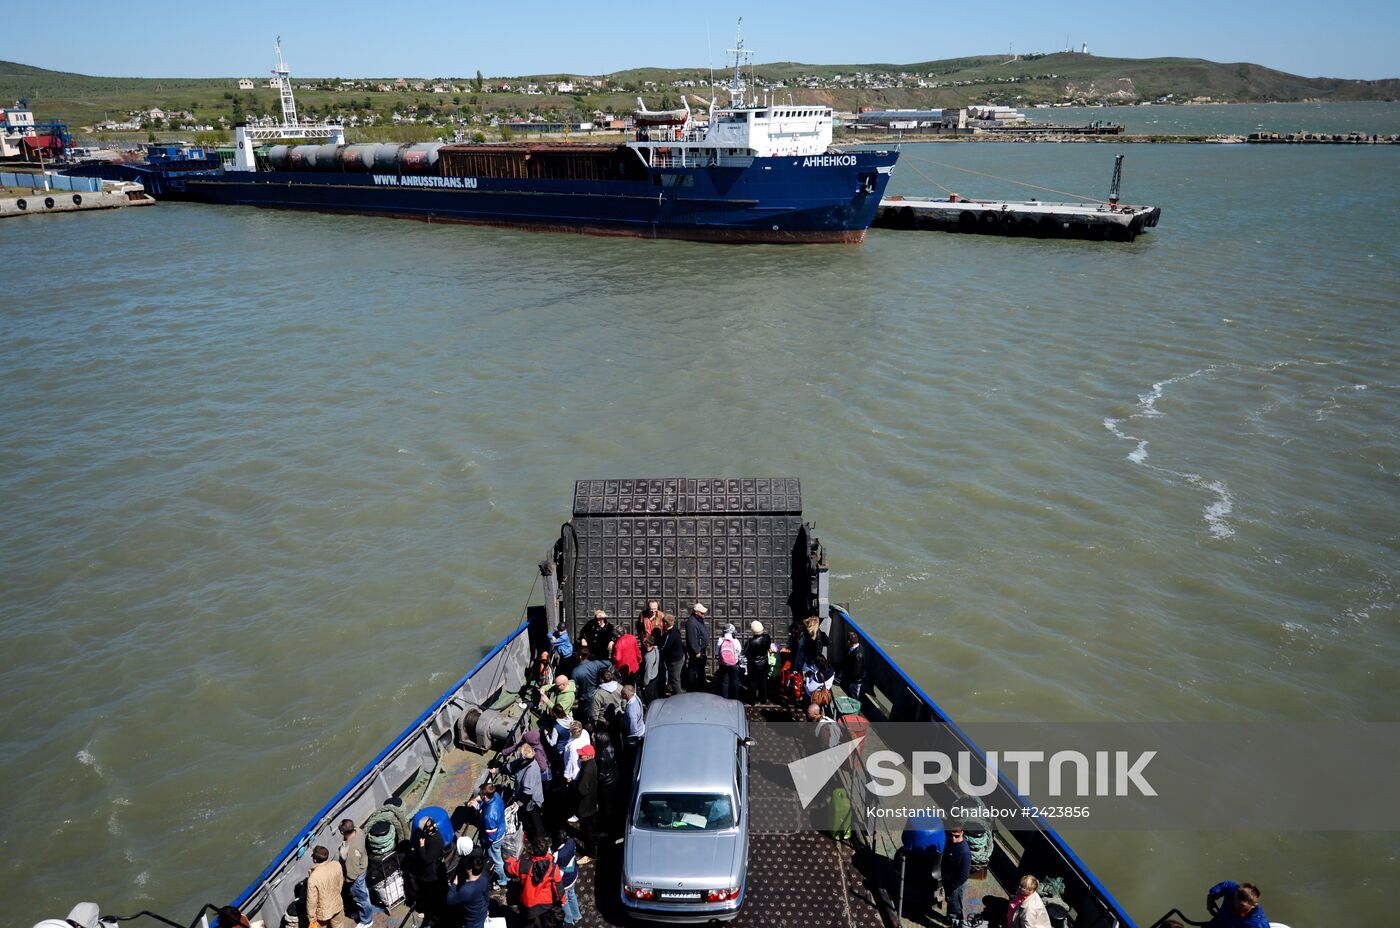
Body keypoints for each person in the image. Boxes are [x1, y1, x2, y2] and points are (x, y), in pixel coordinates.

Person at [506, 838, 563, 928]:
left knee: (528, 924)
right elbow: (559, 887)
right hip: (546, 901)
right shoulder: (553, 867)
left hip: (529, 903)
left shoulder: (523, 865)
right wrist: (561, 901)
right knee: (546, 922)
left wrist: (509, 859)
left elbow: (509, 868)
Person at [501, 743, 547, 844]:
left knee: (536, 821)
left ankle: (540, 841)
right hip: (524, 797)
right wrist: (498, 770)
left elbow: (527, 794)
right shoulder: (524, 762)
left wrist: (518, 803)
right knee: (529, 817)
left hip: (532, 801)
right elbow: (511, 767)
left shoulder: (531, 771)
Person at [467, 782, 509, 893]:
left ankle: (502, 881)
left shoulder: (489, 815)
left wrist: (484, 842)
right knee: (500, 858)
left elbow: (491, 836)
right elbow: (486, 804)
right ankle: (504, 876)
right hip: (501, 830)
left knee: (497, 861)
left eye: (481, 795)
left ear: (485, 796)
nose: (480, 796)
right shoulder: (496, 796)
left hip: (494, 840)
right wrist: (478, 805)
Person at [338, 819, 376, 928]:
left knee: (361, 899)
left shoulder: (350, 852)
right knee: (363, 895)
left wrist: (348, 880)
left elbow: (352, 872)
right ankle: (363, 913)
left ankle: (367, 920)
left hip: (356, 876)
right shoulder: (359, 832)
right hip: (363, 866)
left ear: (342, 832)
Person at [408, 815, 447, 922]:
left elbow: (426, 860)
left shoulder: (434, 841)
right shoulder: (436, 834)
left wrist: (421, 846)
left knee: (431, 896)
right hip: (437, 870)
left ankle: (432, 915)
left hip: (432, 874)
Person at [444, 854, 491, 928]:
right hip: (482, 912)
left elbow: (449, 901)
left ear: (470, 870)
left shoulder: (466, 890)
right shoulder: (485, 877)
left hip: (472, 920)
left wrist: (454, 885)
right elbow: (486, 896)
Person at [306, 845, 345, 928]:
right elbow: (340, 883)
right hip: (337, 904)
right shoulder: (336, 864)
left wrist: (311, 918)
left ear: (314, 859)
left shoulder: (313, 878)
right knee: (339, 925)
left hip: (323, 913)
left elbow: (312, 901)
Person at [941, 822, 972, 928]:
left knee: (955, 907)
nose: (953, 839)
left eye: (956, 836)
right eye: (951, 835)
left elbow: (964, 875)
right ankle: (950, 918)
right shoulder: (950, 842)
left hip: (955, 885)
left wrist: (953, 886)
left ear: (962, 833)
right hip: (947, 879)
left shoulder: (965, 853)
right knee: (950, 901)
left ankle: (956, 924)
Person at [573, 743, 599, 863]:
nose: (580, 756)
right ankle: (593, 841)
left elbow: (582, 789)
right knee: (591, 828)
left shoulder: (587, 770)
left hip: (585, 806)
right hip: (592, 802)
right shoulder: (593, 764)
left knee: (587, 830)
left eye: (582, 755)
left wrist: (576, 794)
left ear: (588, 756)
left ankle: (590, 854)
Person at [570, 649, 611, 721]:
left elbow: (575, 688)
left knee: (584, 715)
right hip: (595, 693)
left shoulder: (575, 671)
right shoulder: (595, 664)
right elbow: (608, 664)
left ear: (580, 657)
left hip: (584, 697)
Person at [553, 830, 581, 925]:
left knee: (564, 901)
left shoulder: (557, 854)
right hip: (573, 874)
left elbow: (553, 866)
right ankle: (577, 915)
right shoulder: (571, 841)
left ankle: (569, 920)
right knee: (572, 894)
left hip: (564, 881)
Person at [744, 621, 773, 704]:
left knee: (752, 683)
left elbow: (746, 653)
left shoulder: (750, 642)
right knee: (763, 681)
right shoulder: (767, 637)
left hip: (753, 665)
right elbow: (768, 647)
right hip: (764, 663)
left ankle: (752, 700)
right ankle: (763, 699)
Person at [685, 603, 710, 690]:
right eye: (702, 612)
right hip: (697, 651)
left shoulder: (699, 619)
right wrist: (696, 651)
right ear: (696, 612)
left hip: (701, 649)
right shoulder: (692, 623)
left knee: (700, 669)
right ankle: (691, 687)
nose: (703, 614)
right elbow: (692, 639)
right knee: (693, 669)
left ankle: (701, 685)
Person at [659, 612, 685, 695]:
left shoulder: (671, 634)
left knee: (675, 679)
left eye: (663, 622)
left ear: (666, 623)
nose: (662, 623)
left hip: (675, 660)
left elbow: (666, 647)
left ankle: (678, 695)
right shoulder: (674, 630)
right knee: (675, 678)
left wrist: (659, 651)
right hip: (677, 658)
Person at [715, 623, 742, 699]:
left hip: (723, 664)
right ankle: (735, 698)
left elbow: (717, 652)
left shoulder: (720, 640)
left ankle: (725, 698)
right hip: (734, 664)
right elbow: (739, 651)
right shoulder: (735, 641)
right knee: (735, 681)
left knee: (724, 681)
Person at [840, 631, 866, 700]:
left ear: (849, 642)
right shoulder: (857, 648)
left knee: (854, 695)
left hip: (855, 681)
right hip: (852, 678)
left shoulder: (858, 655)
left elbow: (856, 672)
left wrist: (848, 677)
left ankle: (856, 708)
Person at [639, 634, 661, 701]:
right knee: (655, 695)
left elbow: (647, 672)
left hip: (649, 680)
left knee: (649, 698)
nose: (642, 642)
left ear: (647, 644)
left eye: (644, 641)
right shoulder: (655, 649)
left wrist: (645, 684)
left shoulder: (648, 658)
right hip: (655, 675)